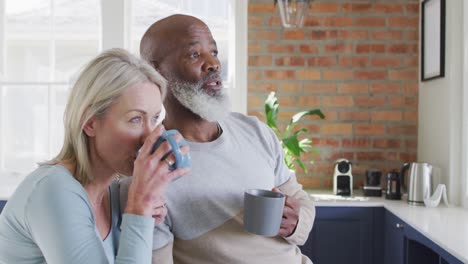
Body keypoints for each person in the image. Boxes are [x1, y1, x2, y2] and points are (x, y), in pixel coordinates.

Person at [137, 14, 315, 264]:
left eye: (214, 52)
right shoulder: (153, 166)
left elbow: (299, 198)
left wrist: (296, 222)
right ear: (156, 72)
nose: (213, 64)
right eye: (195, 55)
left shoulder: (254, 131)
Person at [0, 48, 189, 264]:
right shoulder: (53, 189)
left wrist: (141, 217)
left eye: (154, 119)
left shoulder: (114, 191)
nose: (150, 137)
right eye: (135, 119)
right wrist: (139, 208)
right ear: (90, 123)